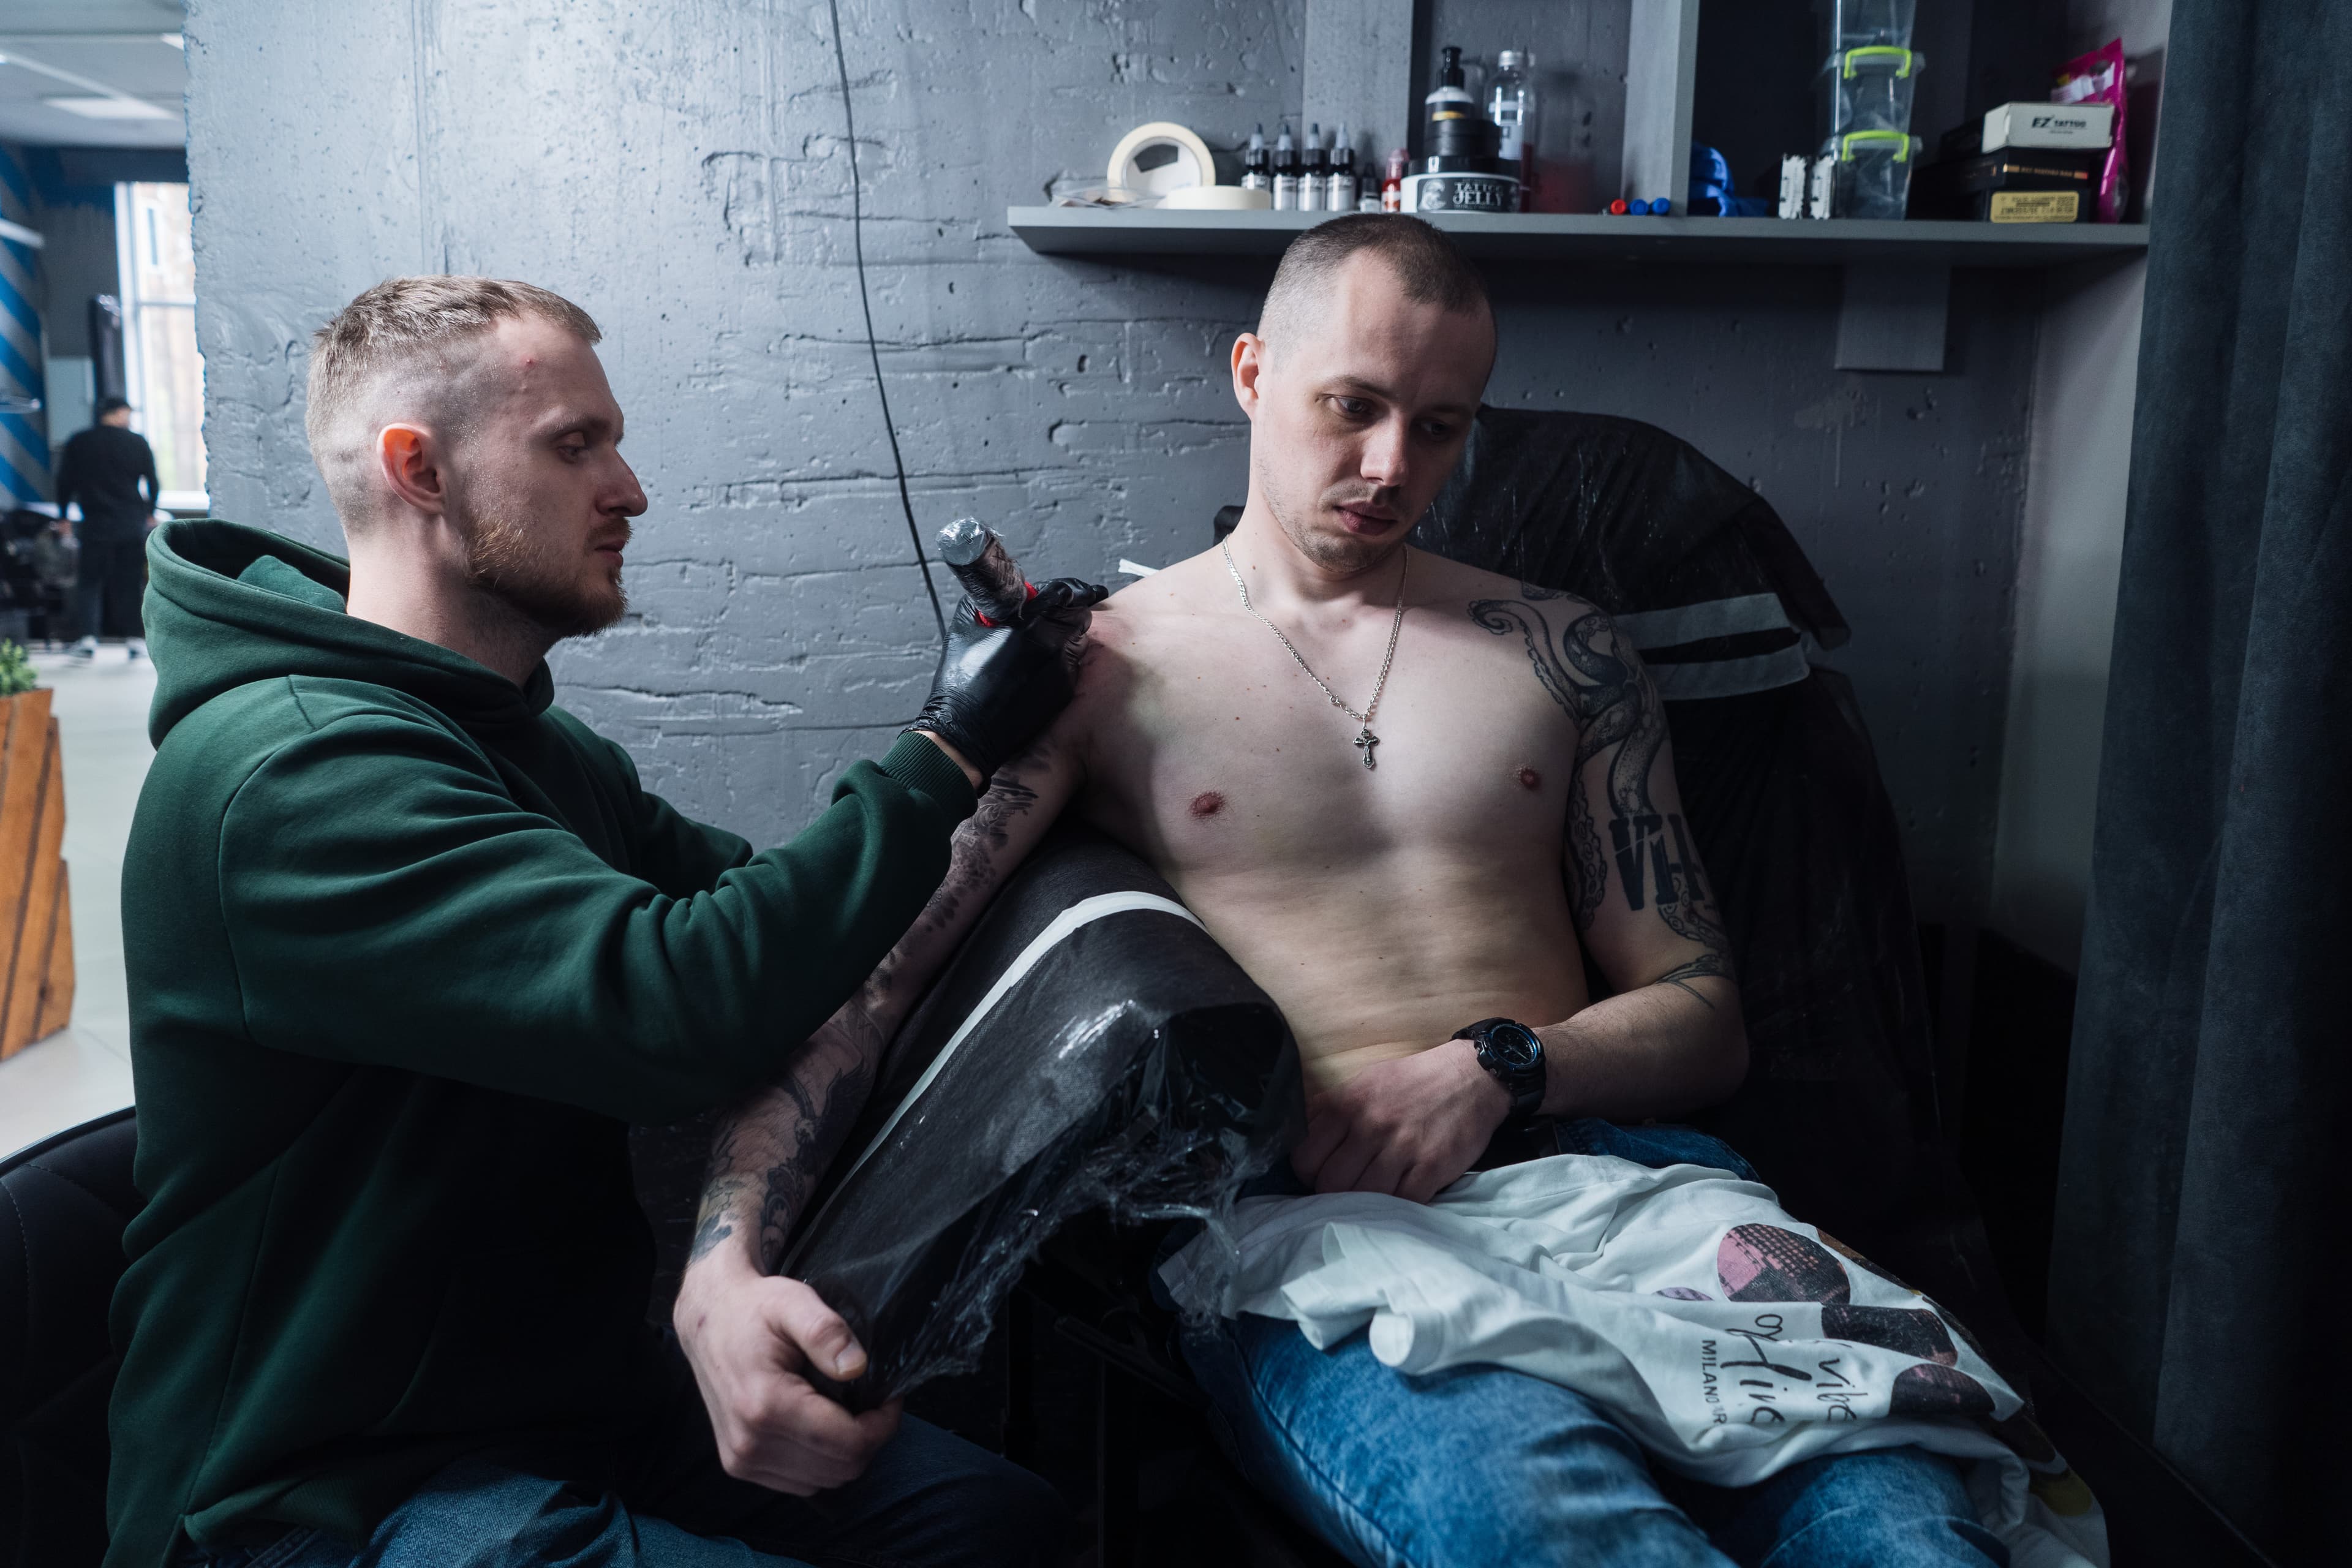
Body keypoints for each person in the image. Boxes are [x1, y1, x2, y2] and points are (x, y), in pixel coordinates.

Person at [679, 218, 2007, 1567]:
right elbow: (867, 982)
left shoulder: (1562, 647)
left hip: (1636, 1189)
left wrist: (1502, 1063)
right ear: (1252, 372)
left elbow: (1703, 1011)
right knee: (1558, 1538)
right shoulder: (1091, 671)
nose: (1392, 468)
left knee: (1913, 1537)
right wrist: (719, 1272)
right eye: (1353, 408)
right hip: (1326, 1235)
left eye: (1441, 425)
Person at [110, 275, 1102, 1568]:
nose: (629, 488)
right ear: (420, 468)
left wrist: (1002, 770)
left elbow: (766, 930)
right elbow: (675, 1002)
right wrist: (950, 743)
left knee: (994, 1520)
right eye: (575, 446)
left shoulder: (530, 746)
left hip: (555, 1409)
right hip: (325, 1488)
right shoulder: (293, 776)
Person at [53, 393, 160, 659]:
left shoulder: (80, 442)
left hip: (95, 523)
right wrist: (151, 512)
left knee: (90, 581)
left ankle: (89, 638)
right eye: (127, 413)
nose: (129, 418)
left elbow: (64, 482)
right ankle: (135, 639)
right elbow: (153, 481)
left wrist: (64, 515)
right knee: (130, 581)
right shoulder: (137, 442)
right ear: (117, 413)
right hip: (130, 522)